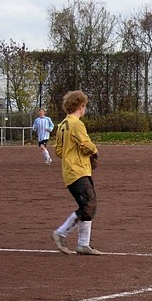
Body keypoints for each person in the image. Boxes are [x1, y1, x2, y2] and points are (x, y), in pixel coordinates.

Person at [51, 90, 102, 255]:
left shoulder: (63, 125)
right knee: (89, 205)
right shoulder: (76, 124)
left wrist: (72, 155)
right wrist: (94, 152)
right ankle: (61, 233)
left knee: (88, 205)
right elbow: (86, 144)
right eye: (84, 105)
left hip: (72, 170)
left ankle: (83, 244)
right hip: (78, 171)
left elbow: (58, 150)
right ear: (81, 106)